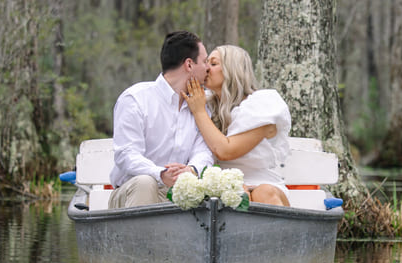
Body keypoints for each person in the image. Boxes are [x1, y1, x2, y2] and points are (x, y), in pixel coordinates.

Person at [108, 30, 214, 208]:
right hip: (132, 193)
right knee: (145, 183)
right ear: (189, 64)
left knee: (206, 193)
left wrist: (192, 170)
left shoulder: (200, 107)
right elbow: (127, 154)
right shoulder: (135, 99)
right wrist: (161, 174)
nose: (208, 68)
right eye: (204, 62)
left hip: (178, 195)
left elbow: (204, 152)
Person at [182, 45, 292, 206]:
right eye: (206, 63)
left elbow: (226, 151)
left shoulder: (260, 105)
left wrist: (199, 112)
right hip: (224, 184)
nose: (206, 68)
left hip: (264, 182)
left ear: (232, 69)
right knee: (237, 192)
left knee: (263, 192)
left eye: (213, 64)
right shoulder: (206, 103)